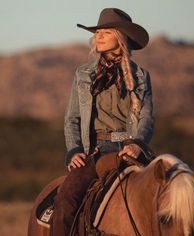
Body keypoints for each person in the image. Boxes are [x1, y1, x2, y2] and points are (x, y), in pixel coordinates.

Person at [52, 8, 154, 236]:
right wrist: (74, 150)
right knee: (65, 201)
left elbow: (146, 117)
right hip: (94, 151)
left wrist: (137, 143)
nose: (99, 36)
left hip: (131, 149)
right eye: (97, 32)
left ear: (120, 37)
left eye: (106, 32)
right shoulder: (83, 74)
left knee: (169, 192)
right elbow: (72, 118)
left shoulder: (140, 76)